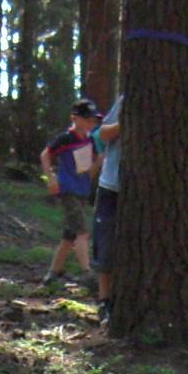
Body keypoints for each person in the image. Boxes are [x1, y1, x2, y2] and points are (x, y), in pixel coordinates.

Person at [39, 99, 101, 286]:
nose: (91, 123)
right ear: (74, 118)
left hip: (82, 190)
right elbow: (45, 154)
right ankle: (87, 272)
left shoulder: (90, 140)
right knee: (82, 232)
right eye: (87, 119)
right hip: (68, 190)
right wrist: (50, 178)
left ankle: (53, 273)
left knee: (70, 234)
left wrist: (94, 168)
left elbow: (93, 163)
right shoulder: (66, 138)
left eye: (93, 120)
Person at [90, 96, 122, 326]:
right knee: (105, 243)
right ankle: (105, 301)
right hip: (111, 186)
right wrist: (126, 123)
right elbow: (101, 135)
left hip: (143, 190)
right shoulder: (128, 100)